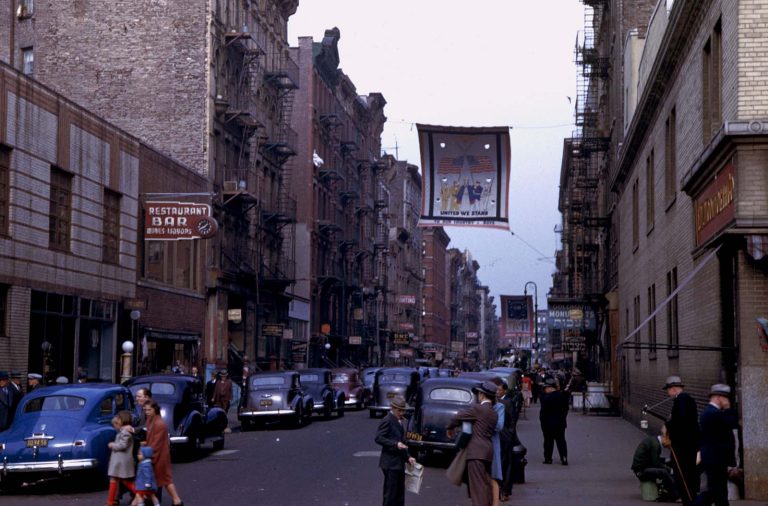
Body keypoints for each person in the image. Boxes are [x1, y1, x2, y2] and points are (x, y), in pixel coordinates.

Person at [447, 380, 499, 506]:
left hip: (476, 452)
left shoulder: (478, 409)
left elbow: (458, 417)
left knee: (478, 488)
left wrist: (450, 427)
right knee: (485, 485)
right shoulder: (494, 413)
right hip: (488, 451)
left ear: (481, 394)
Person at [692, 384, 738, 506]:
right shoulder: (714, 414)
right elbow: (731, 423)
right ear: (719, 397)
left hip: (713, 458)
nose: (727, 401)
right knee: (716, 492)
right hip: (716, 458)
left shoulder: (709, 413)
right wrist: (728, 408)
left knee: (719, 493)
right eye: (725, 398)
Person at [663, 375, 700, 504]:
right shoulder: (685, 400)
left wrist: (668, 427)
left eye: (668, 390)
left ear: (673, 389)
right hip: (687, 445)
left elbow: (682, 422)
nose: (668, 394)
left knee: (683, 477)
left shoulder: (682, 400)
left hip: (683, 447)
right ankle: (690, 499)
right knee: (687, 476)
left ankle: (689, 500)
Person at [374, 395, 416, 506]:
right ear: (392, 407)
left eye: (403, 410)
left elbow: (402, 442)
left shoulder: (400, 421)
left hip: (399, 463)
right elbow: (378, 438)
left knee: (399, 494)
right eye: (399, 410)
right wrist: (395, 444)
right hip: (390, 463)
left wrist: (408, 457)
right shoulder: (387, 420)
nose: (402, 413)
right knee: (390, 495)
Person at [143, 400, 184, 506]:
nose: (147, 412)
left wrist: (147, 455)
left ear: (155, 410)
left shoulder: (159, 423)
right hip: (156, 454)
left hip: (160, 456)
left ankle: (177, 500)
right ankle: (173, 500)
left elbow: (156, 444)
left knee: (165, 480)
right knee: (161, 479)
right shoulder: (151, 420)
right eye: (145, 410)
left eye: (149, 410)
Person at [632, 424, 678, 502]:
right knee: (664, 472)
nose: (669, 445)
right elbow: (655, 463)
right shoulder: (655, 445)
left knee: (665, 468)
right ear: (665, 437)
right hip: (641, 471)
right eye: (670, 441)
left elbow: (653, 459)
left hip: (643, 467)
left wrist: (666, 461)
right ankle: (675, 494)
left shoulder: (654, 441)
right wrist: (670, 469)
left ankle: (669, 490)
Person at [106, 410, 137, 506]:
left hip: (121, 461)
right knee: (117, 480)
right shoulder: (124, 431)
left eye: (118, 419)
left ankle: (141, 493)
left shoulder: (125, 433)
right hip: (119, 461)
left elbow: (123, 445)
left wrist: (113, 445)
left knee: (122, 481)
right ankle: (110, 501)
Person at [539, 377, 569, 465]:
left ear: (550, 388)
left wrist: (542, 422)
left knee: (548, 441)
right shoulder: (562, 396)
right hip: (560, 423)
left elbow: (543, 412)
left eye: (546, 388)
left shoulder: (546, 398)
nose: (545, 390)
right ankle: (564, 457)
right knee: (561, 441)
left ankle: (548, 458)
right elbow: (566, 409)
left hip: (548, 424)